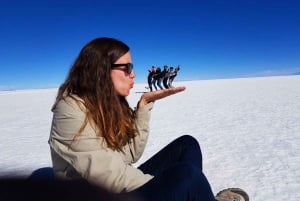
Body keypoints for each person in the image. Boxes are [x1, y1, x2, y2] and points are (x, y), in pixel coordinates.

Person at [48, 37, 249, 201]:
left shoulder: (106, 105)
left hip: (117, 186)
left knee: (186, 145)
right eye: (127, 68)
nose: (133, 74)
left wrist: (143, 106)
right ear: (101, 70)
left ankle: (196, 195)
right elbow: (107, 177)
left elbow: (129, 156)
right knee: (186, 176)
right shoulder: (70, 110)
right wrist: (163, 182)